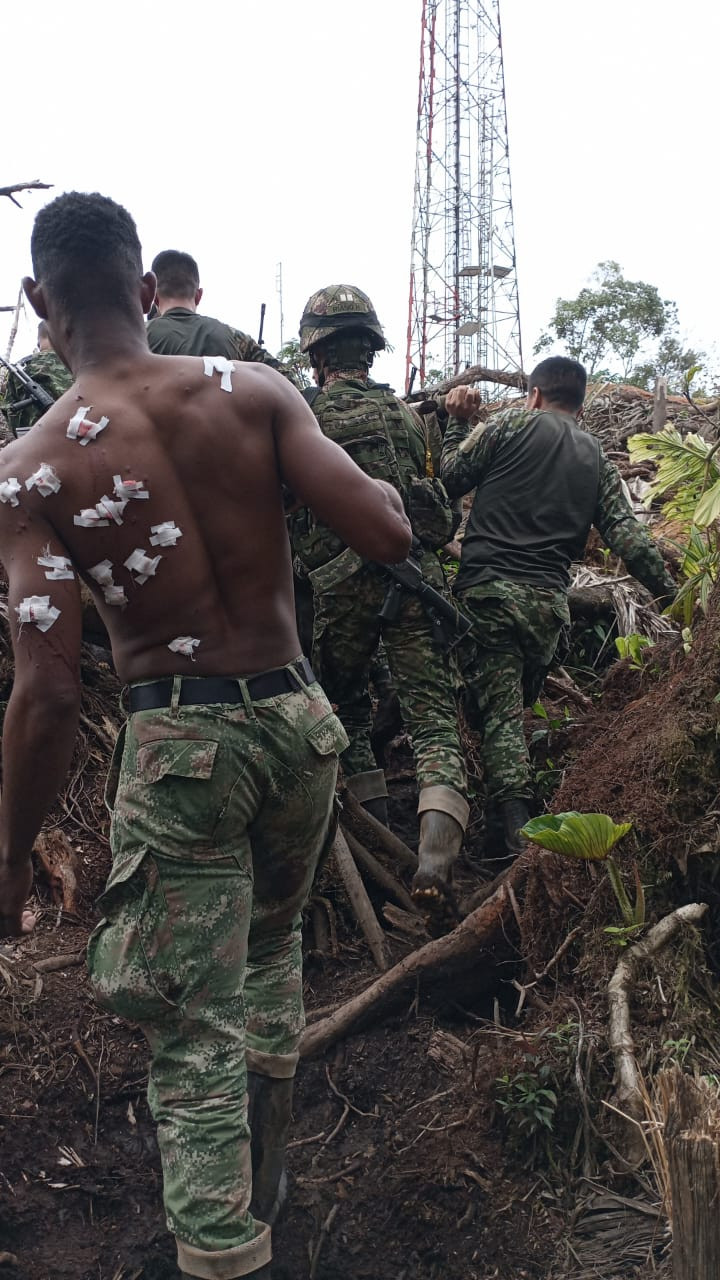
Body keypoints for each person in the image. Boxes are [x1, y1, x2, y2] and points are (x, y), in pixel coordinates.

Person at [0, 192, 411, 1280]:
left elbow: (44, 693)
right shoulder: (257, 391)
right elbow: (384, 530)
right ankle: (269, 1182)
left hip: (183, 745)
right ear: (146, 289)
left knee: (190, 1022)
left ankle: (226, 1253)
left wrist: (10, 860)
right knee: (271, 951)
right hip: (299, 721)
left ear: (41, 302)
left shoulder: (31, 468)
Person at [440, 356, 677, 863]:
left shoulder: (506, 426)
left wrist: (454, 423)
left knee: (499, 719)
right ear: (581, 405)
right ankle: (495, 833)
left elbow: (449, 479)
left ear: (534, 395)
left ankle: (515, 843)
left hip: (490, 595)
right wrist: (675, 599)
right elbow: (631, 541)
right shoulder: (596, 457)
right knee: (506, 715)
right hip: (549, 609)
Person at [290, 284, 469, 930]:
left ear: (317, 355)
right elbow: (440, 515)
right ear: (371, 348)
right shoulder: (409, 418)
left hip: (340, 590)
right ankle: (433, 858)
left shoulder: (304, 417)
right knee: (433, 725)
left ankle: (370, 846)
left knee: (345, 712)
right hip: (413, 581)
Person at [146, 248, 294, 380]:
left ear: (154, 297)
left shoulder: (136, 337)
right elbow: (287, 379)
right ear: (198, 295)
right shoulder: (234, 338)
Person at [0, 319, 72, 437]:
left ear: (39, 341)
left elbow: (12, 415)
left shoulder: (21, 367)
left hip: (36, 445)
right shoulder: (82, 364)